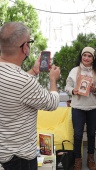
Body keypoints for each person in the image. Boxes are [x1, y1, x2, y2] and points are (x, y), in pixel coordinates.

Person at [0, 22, 61, 170]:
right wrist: (53, 80)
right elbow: (52, 103)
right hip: (20, 158)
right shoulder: (23, 81)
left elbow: (13, 86)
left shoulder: (19, 79)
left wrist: (33, 71)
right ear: (25, 47)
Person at [65, 47, 96, 170]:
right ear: (81, 56)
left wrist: (95, 89)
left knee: (91, 133)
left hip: (93, 107)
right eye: (84, 55)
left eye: (89, 56)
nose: (86, 58)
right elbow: (67, 86)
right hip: (78, 107)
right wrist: (73, 90)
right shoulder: (74, 70)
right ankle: (77, 160)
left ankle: (91, 158)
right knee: (77, 135)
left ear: (93, 59)